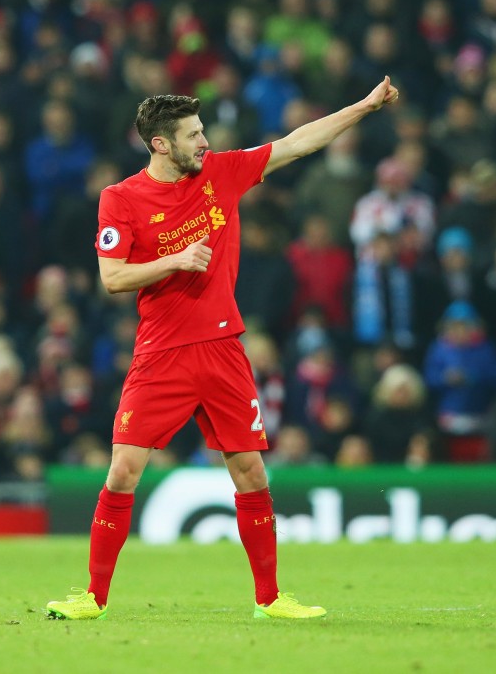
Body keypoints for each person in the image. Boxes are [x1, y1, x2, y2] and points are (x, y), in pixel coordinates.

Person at [45, 76, 400, 622]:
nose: (205, 142)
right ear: (161, 144)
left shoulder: (221, 174)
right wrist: (175, 261)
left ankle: (270, 599)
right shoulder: (121, 199)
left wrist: (366, 106)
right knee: (122, 472)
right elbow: (112, 278)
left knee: (252, 474)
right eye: (193, 135)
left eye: (203, 131)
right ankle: (92, 597)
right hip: (160, 355)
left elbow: (298, 142)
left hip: (222, 348)